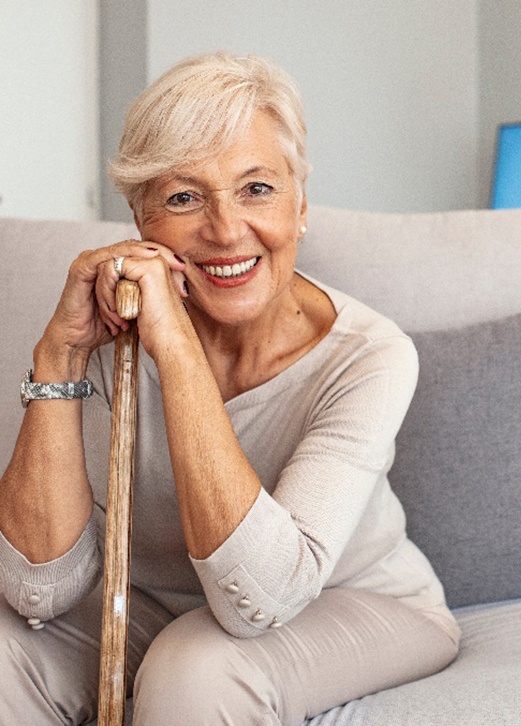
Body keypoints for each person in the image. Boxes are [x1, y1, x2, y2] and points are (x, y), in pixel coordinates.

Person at [0, 52, 460, 725]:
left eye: (256, 189)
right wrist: (60, 353)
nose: (224, 231)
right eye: (183, 197)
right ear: (139, 217)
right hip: (151, 607)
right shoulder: (105, 331)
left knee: (196, 667)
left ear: (300, 203)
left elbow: (263, 599)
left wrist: (178, 351)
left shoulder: (369, 355)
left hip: (351, 601)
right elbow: (37, 589)